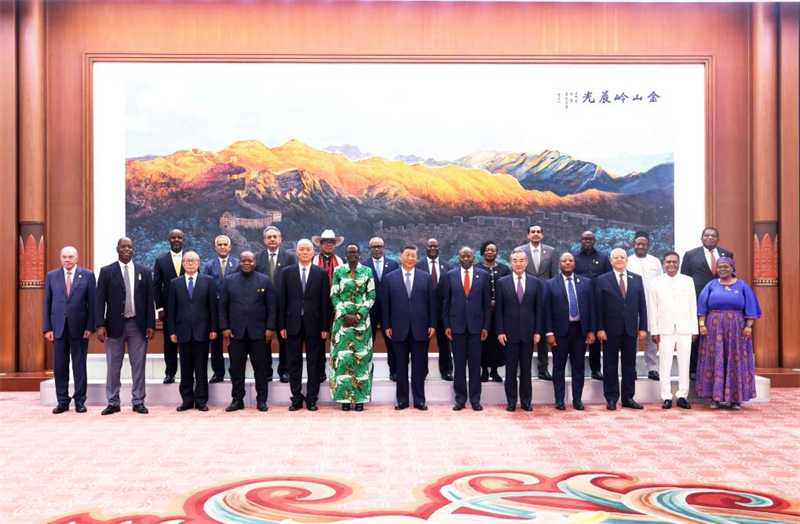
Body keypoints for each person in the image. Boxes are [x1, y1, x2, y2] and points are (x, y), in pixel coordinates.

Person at [95, 237, 155, 415]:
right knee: (113, 366)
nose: (127, 249)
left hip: (138, 325)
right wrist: (100, 324)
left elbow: (149, 300)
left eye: (130, 247)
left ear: (133, 249)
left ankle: (138, 401)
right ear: (117, 249)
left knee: (138, 366)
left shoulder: (144, 271)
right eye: (123, 247)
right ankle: (113, 402)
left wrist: (150, 324)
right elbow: (99, 301)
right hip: (114, 327)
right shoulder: (107, 272)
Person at [696, 257, 761, 410]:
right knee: (714, 360)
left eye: (726, 266)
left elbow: (751, 306)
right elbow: (702, 306)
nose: (722, 269)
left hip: (737, 329)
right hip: (713, 328)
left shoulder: (742, 285)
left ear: (733, 268)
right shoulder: (711, 285)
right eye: (719, 267)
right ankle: (715, 397)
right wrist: (701, 324)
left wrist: (748, 326)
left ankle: (735, 399)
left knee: (735, 360)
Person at [218, 251, 276, 412]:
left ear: (254, 262)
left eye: (249, 261)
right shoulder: (229, 281)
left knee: (261, 368)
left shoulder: (264, 280)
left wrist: (270, 328)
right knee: (236, 368)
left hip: (259, 333)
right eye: (243, 260)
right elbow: (222, 306)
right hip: (235, 333)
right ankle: (237, 400)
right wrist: (224, 327)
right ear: (239, 263)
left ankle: (262, 400)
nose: (246, 263)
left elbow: (272, 307)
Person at [383, 245, 437, 410]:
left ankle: (420, 400)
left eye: (413, 255)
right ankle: (402, 400)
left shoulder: (425, 277)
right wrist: (387, 325)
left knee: (419, 366)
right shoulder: (389, 278)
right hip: (398, 328)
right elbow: (386, 305)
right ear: (400, 257)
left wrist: (432, 324)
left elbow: (432, 304)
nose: (410, 258)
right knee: (400, 366)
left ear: (417, 257)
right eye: (407, 255)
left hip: (421, 328)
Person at [279, 239, 331, 412]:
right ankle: (296, 398)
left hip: (315, 325)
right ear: (297, 252)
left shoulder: (321, 273)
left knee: (314, 363)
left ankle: (311, 398)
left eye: (308, 249)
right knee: (293, 362)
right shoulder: (287, 272)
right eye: (302, 249)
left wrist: (325, 327)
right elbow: (282, 300)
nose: (305, 252)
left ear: (313, 252)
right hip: (292, 323)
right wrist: (282, 326)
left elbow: (325, 302)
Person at [43, 246, 96, 414]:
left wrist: (90, 326)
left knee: (79, 365)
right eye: (64, 257)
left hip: (80, 329)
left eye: (70, 257)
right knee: (60, 366)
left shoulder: (87, 275)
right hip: (57, 328)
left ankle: (80, 401)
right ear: (60, 258)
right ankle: (62, 401)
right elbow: (47, 303)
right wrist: (47, 328)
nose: (67, 260)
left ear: (77, 258)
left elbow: (92, 304)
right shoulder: (52, 276)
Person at [595, 248, 648, 410]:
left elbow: (642, 305)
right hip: (610, 330)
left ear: (627, 260)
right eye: (615, 257)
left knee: (629, 365)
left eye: (622, 257)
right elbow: (598, 308)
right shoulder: (602, 280)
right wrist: (600, 328)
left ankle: (628, 398)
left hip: (631, 330)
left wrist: (643, 327)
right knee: (610, 365)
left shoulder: (637, 279)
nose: (619, 260)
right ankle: (611, 398)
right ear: (611, 261)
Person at [543, 252, 596, 411]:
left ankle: (577, 400)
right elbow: (546, 311)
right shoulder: (550, 284)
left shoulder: (586, 283)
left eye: (570, 260)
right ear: (559, 264)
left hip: (579, 331)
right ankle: (559, 400)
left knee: (578, 367)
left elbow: (592, 308)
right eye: (564, 261)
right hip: (559, 333)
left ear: (574, 263)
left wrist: (591, 331)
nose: (567, 263)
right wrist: (549, 333)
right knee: (558, 367)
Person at [681, 227, 734, 381]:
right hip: (696, 302)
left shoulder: (727, 254)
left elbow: (732, 276)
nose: (710, 238)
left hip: (720, 303)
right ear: (701, 238)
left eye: (713, 236)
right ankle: (693, 370)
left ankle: (719, 368)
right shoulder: (691, 254)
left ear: (718, 239)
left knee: (718, 336)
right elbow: (684, 279)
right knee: (696, 336)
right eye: (707, 235)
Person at [442, 246, 491, 411]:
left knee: (475, 365)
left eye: (468, 256)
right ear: (458, 258)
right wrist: (447, 325)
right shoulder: (450, 275)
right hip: (456, 328)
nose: (465, 259)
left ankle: (475, 400)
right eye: (462, 256)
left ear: (474, 258)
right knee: (459, 364)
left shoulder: (483, 275)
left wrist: (486, 326)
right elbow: (446, 303)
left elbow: (486, 303)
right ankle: (460, 399)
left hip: (477, 328)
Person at [168, 251, 218, 412]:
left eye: (194, 261)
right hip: (182, 331)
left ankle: (201, 400)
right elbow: (172, 310)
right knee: (186, 367)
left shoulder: (208, 281)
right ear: (183, 264)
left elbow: (213, 307)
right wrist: (172, 331)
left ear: (198, 263)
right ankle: (187, 400)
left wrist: (213, 328)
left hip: (202, 331)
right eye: (187, 261)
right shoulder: (175, 283)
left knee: (201, 367)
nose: (190, 263)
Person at [329, 243, 376, 411]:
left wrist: (357, 316)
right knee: (344, 361)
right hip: (342, 323)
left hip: (362, 323)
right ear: (346, 254)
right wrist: (345, 315)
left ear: (360, 254)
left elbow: (371, 295)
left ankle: (360, 398)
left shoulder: (367, 272)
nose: (352, 254)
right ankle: (345, 400)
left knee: (361, 362)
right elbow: (334, 294)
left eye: (355, 252)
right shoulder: (338, 271)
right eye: (349, 252)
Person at [648, 251, 697, 410]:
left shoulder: (688, 281)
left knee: (684, 363)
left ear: (679, 263)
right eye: (668, 262)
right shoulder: (656, 282)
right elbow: (652, 308)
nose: (671, 265)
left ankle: (682, 395)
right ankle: (666, 396)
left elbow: (692, 306)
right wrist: (654, 331)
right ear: (663, 264)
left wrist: (694, 329)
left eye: (674, 262)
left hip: (685, 327)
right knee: (665, 364)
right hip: (664, 328)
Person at [495, 249, 542, 411]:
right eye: (515, 260)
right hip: (509, 334)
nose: (518, 263)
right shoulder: (502, 282)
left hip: (529, 334)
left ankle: (526, 401)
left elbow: (538, 310)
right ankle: (511, 401)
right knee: (510, 370)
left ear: (526, 262)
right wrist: (500, 331)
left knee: (526, 370)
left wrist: (537, 331)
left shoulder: (536, 282)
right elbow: (499, 310)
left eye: (521, 260)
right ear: (511, 263)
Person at [516, 224, 558, 380]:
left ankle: (543, 369)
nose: (535, 234)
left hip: (545, 299)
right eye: (532, 232)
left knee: (542, 334)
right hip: (525, 299)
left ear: (542, 235)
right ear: (528, 235)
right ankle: (522, 369)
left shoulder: (551, 251)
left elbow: (554, 277)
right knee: (523, 335)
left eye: (538, 232)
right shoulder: (519, 251)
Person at [255, 226, 296, 383]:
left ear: (280, 239)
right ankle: (267, 371)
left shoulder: (290, 258)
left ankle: (284, 370)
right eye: (269, 237)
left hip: (283, 306)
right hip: (262, 307)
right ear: (264, 240)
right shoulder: (257, 258)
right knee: (264, 340)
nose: (272, 239)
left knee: (284, 339)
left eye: (275, 236)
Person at [573, 230, 612, 381]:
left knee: (595, 334)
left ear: (594, 241)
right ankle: (578, 369)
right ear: (580, 240)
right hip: (580, 301)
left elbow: (608, 278)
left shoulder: (603, 257)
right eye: (585, 239)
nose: (587, 242)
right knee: (580, 335)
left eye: (590, 239)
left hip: (598, 301)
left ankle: (596, 369)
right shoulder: (574, 257)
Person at [626, 231, 663, 381]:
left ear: (648, 245)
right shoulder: (628, 261)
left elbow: (661, 283)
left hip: (651, 305)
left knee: (651, 338)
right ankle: (631, 368)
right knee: (632, 338)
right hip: (632, 306)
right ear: (633, 245)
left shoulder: (655, 262)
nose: (641, 246)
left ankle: (652, 368)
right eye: (638, 243)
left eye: (644, 244)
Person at [201, 235, 239, 383]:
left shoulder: (237, 263)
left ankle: (234, 370)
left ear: (230, 247)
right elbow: (206, 286)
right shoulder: (209, 265)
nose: (223, 247)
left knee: (234, 342)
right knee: (215, 342)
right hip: (215, 309)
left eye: (225, 244)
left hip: (233, 308)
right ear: (216, 247)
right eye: (220, 245)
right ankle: (218, 372)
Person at [415, 238, 454, 381]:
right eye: (430, 246)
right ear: (425, 248)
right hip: (423, 313)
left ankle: (447, 370)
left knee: (444, 344)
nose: (433, 248)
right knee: (422, 343)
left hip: (443, 313)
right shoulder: (418, 266)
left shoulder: (448, 267)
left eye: (435, 246)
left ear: (439, 248)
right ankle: (422, 371)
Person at [362, 237, 400, 381]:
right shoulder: (363, 265)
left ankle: (394, 370)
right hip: (369, 310)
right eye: (373, 247)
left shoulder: (393, 264)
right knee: (366, 342)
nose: (376, 249)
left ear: (384, 248)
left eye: (379, 246)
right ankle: (366, 370)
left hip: (388, 310)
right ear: (369, 249)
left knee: (391, 342)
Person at [153, 228, 185, 384]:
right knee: (169, 342)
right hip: (168, 310)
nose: (177, 240)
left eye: (179, 237)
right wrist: (159, 308)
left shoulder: (190, 259)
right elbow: (156, 285)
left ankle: (188, 372)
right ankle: (170, 373)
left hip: (188, 309)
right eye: (174, 238)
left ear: (184, 241)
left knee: (187, 341)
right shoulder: (161, 260)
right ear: (169, 240)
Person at [475, 241, 510, 382]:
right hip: (481, 311)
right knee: (483, 340)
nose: (490, 252)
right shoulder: (476, 268)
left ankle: (495, 371)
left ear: (497, 253)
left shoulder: (504, 269)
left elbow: (508, 289)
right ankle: (483, 370)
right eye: (487, 250)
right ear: (483, 251)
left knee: (496, 341)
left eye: (493, 250)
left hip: (499, 312)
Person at [312, 229, 344, 383]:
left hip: (336, 306)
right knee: (318, 341)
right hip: (318, 306)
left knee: (337, 339)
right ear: (320, 244)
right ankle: (319, 370)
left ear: (335, 245)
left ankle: (336, 370)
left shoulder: (341, 261)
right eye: (325, 242)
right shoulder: (313, 260)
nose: (329, 245)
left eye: (331, 242)